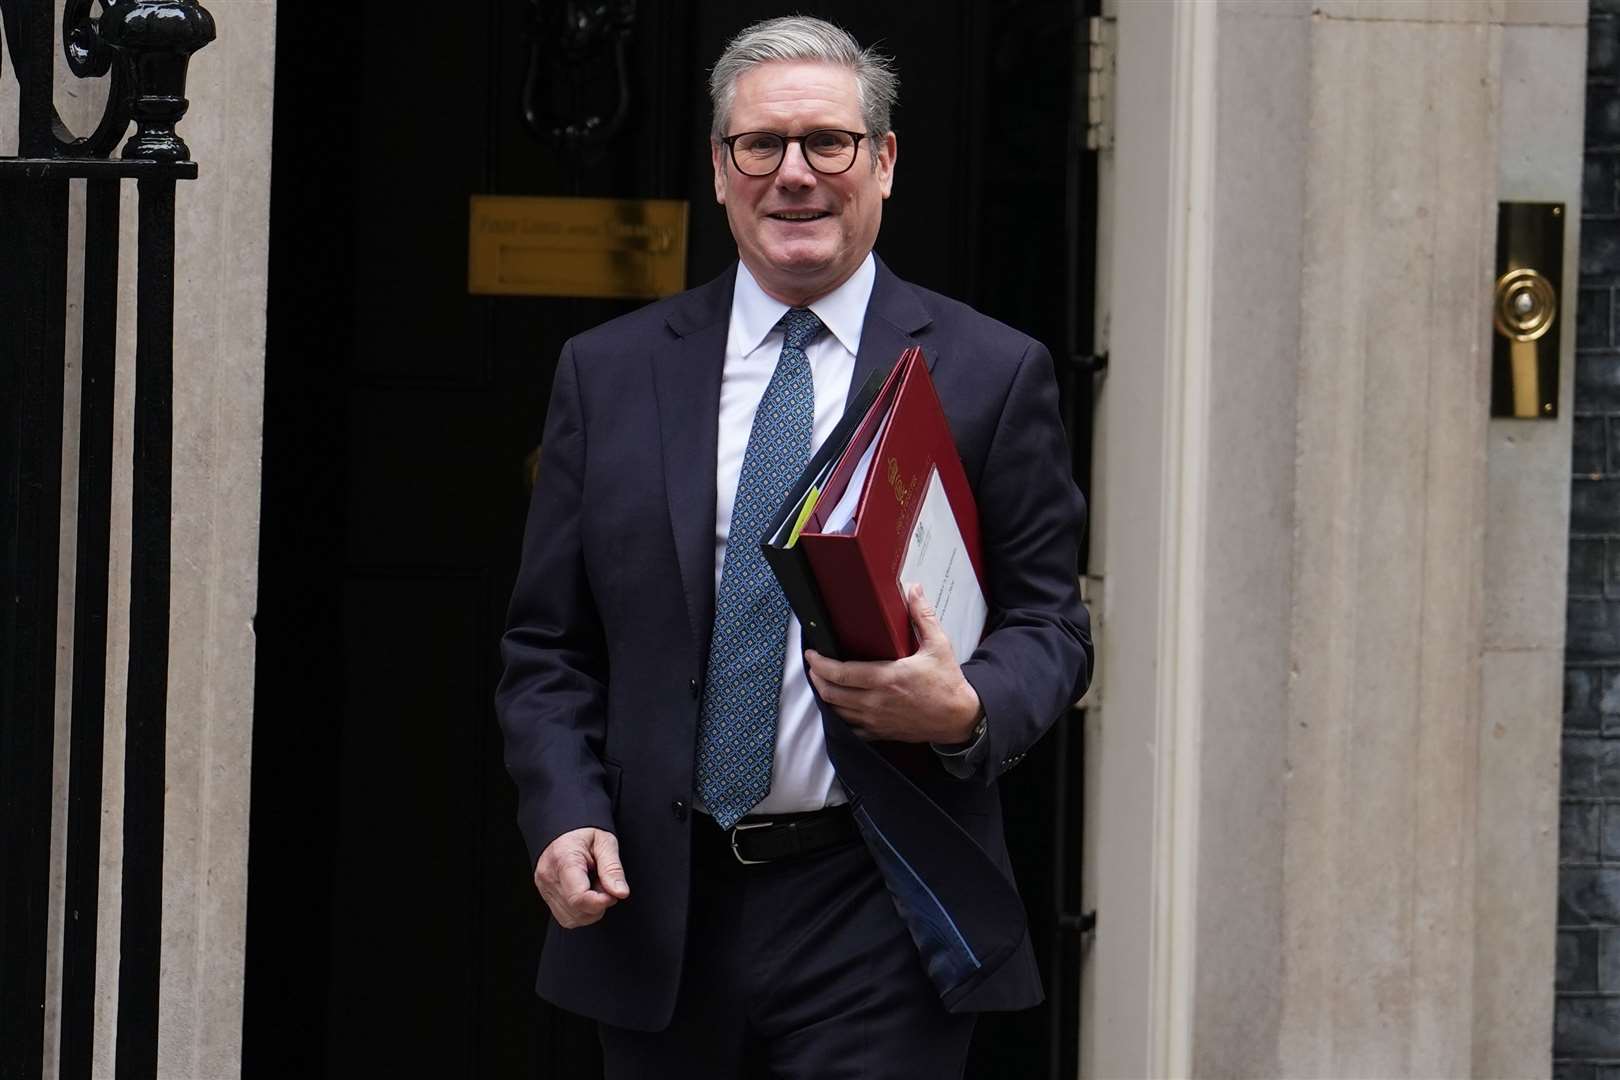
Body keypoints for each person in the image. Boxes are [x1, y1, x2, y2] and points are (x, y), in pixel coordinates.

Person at [495, 15, 1091, 1078]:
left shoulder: (993, 375)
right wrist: (563, 813)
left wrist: (965, 708)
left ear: (887, 162)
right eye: (760, 146)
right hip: (657, 910)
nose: (795, 175)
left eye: (829, 142)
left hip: (877, 905)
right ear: (721, 171)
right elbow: (548, 648)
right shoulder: (610, 373)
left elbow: (1053, 622)